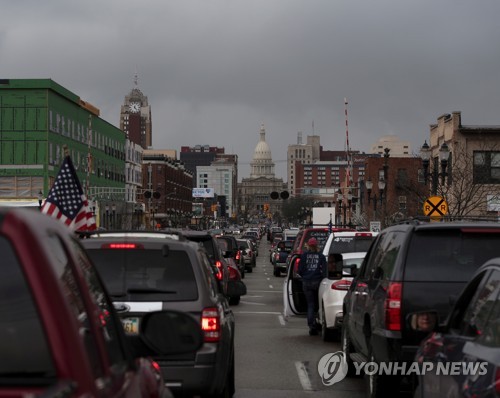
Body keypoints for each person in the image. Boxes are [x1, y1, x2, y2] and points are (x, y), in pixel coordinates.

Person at [298, 237, 327, 335]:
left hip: (306, 282)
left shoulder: (304, 256)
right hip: (317, 282)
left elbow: (300, 270)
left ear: (308, 245)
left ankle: (311, 325)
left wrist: (305, 276)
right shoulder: (321, 256)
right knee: (318, 304)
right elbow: (325, 271)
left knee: (310, 304)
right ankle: (318, 322)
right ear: (316, 245)